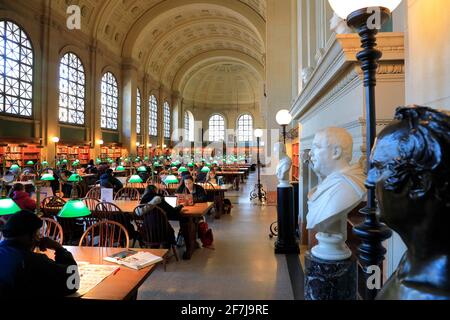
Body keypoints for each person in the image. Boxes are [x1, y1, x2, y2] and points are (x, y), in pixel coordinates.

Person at [368, 106, 450, 300]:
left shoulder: (436, 291)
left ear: (420, 184)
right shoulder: (412, 262)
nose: (369, 180)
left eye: (380, 167)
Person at [0, 211, 79, 298]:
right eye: (38, 234)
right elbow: (73, 282)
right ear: (32, 236)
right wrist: (59, 249)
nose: (38, 238)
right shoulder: (33, 261)